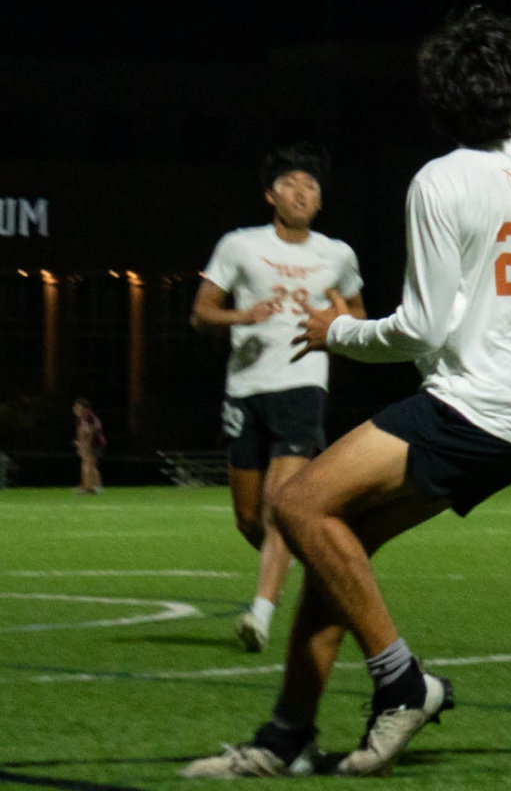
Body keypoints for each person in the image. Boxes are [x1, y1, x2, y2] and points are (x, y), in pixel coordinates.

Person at [181, 7, 511, 777]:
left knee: (295, 508)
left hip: (471, 403)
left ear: (439, 95)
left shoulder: (441, 180)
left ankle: (403, 684)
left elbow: (421, 330)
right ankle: (285, 739)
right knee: (338, 544)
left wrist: (338, 333)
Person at [193, 145, 367, 651]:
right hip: (245, 389)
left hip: (302, 384)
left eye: (311, 187)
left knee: (279, 505)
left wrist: (339, 324)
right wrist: (241, 317)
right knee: (249, 519)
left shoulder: (338, 254)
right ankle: (318, 566)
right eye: (291, 184)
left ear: (320, 201)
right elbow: (202, 313)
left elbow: (357, 313)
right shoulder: (239, 245)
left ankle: (260, 616)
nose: (302, 193)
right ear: (270, 194)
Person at [72, 398, 103, 494]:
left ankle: (88, 487)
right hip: (93, 442)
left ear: (83, 407)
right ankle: (94, 486)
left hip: (94, 443)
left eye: (78, 406)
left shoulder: (87, 416)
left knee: (87, 464)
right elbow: (80, 432)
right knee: (90, 464)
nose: (75, 408)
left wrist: (86, 446)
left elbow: (90, 431)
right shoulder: (81, 417)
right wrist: (80, 444)